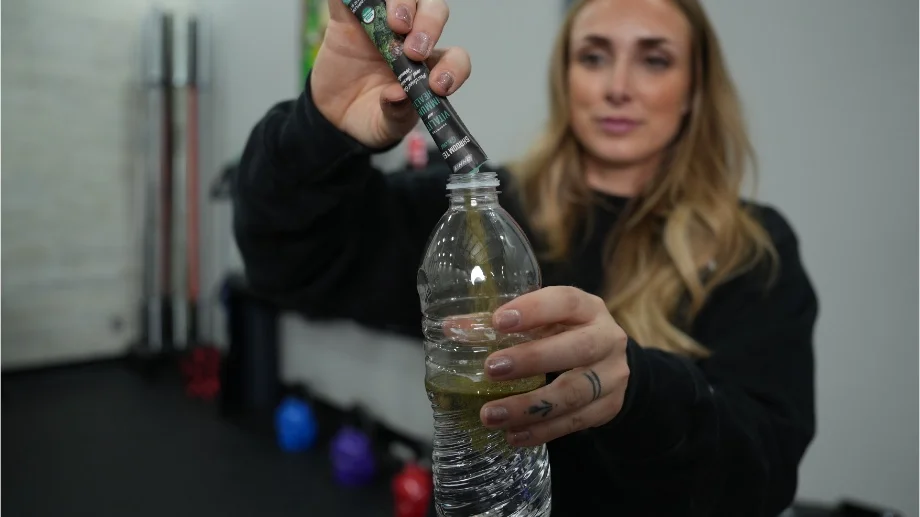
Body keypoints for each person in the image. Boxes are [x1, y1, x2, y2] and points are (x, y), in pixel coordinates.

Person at [232, 0, 819, 514]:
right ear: (565, 79)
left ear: (694, 89)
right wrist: (322, 126)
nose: (618, 86)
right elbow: (289, 264)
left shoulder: (750, 249)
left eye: (654, 60)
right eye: (593, 56)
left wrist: (641, 392)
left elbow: (762, 474)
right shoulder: (484, 217)